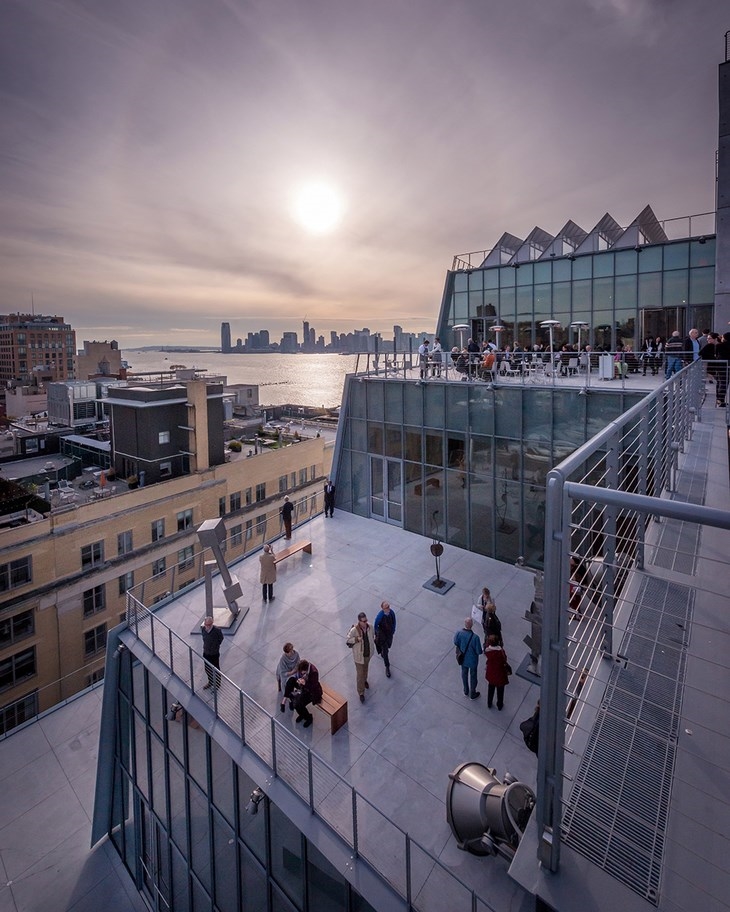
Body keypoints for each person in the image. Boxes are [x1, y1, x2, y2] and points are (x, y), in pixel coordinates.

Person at [346, 612, 375, 702]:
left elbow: (372, 636)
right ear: (359, 621)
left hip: (368, 654)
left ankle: (365, 681)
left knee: (366, 669)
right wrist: (356, 639)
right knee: (360, 675)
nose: (365, 622)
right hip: (359, 658)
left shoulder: (370, 627)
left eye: (366, 620)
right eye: (363, 621)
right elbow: (348, 640)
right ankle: (361, 692)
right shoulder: (354, 630)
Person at [288, 659, 323, 728]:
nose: (301, 673)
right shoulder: (304, 669)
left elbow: (313, 686)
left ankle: (308, 718)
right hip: (305, 690)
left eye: (302, 672)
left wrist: (304, 683)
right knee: (293, 698)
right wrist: (299, 680)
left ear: (305, 670)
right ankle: (302, 714)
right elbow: (299, 676)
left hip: (313, 693)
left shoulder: (314, 672)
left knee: (299, 704)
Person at [453, 618, 482, 699]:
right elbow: (479, 651)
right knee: (473, 676)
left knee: (464, 673)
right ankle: (473, 693)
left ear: (465, 624)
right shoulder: (475, 637)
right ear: (472, 625)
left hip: (463, 659)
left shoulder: (459, 633)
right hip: (472, 661)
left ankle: (466, 690)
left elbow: (455, 642)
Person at [484, 634, 510, 710]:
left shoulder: (487, 651)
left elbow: (487, 646)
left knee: (490, 689)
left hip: (491, 673)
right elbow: (504, 659)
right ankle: (499, 705)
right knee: (500, 691)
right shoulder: (500, 652)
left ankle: (489, 703)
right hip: (500, 674)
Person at [373, 600, 396, 678]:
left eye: (389, 606)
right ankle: (387, 667)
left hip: (389, 634)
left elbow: (394, 622)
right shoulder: (380, 616)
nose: (388, 608)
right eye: (386, 607)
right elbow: (375, 625)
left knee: (389, 646)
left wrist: (393, 631)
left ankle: (383, 651)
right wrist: (377, 634)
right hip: (383, 636)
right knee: (386, 651)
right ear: (383, 608)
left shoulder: (391, 613)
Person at [200, 616, 223, 690]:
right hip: (206, 653)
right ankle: (210, 682)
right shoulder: (203, 629)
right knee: (207, 669)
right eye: (207, 624)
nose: (208, 626)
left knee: (216, 669)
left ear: (212, 623)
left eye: (209, 624)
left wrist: (216, 646)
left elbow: (221, 638)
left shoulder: (217, 630)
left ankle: (217, 683)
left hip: (214, 653)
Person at [277, 642, 300, 710]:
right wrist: (290, 673)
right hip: (287, 674)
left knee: (291, 681)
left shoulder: (296, 654)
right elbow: (283, 671)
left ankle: (285, 700)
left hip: (295, 672)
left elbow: (298, 664)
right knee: (286, 683)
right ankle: (291, 700)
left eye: (292, 651)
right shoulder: (283, 659)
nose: (291, 653)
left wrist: (294, 671)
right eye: (289, 652)